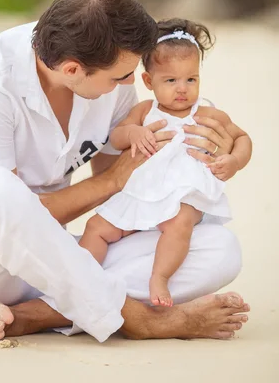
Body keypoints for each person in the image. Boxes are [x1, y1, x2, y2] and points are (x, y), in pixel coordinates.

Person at [0, 0, 249, 344]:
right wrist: (111, 180)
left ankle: (33, 316)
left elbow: (124, 200)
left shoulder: (112, 79)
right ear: (71, 70)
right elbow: (8, 220)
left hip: (51, 269)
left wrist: (200, 162)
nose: (131, 84)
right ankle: (141, 320)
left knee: (218, 248)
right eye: (121, 76)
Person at [79, 19, 252, 308]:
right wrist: (134, 132)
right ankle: (80, 278)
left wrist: (234, 160)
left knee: (179, 224)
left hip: (184, 191)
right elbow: (117, 136)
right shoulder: (145, 110)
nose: (182, 89)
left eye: (191, 79)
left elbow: (242, 138)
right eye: (170, 80)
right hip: (143, 189)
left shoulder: (207, 113)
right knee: (97, 227)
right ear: (149, 81)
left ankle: (160, 278)